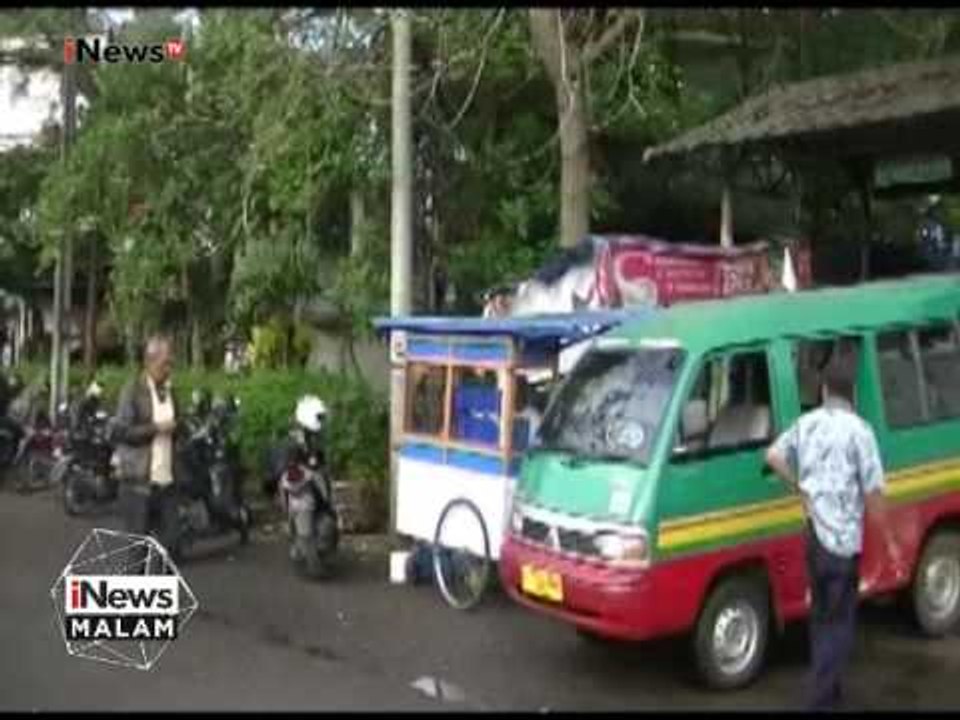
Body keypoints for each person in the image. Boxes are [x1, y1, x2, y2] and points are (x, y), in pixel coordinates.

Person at [765, 348, 905, 711]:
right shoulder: (861, 432)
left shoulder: (807, 423)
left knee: (821, 617)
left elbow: (773, 456)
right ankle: (820, 700)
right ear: (851, 393)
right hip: (844, 546)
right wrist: (891, 543)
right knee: (841, 624)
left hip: (814, 539)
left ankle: (830, 690)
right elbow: (873, 494)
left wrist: (799, 488)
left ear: (824, 390)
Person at [113, 335, 180, 566]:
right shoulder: (132, 390)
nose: (168, 369)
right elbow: (121, 431)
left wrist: (178, 429)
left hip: (167, 481)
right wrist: (156, 428)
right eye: (164, 364)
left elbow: (177, 424)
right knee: (138, 554)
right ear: (149, 362)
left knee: (171, 544)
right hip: (138, 483)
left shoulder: (170, 390)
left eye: (171, 363)